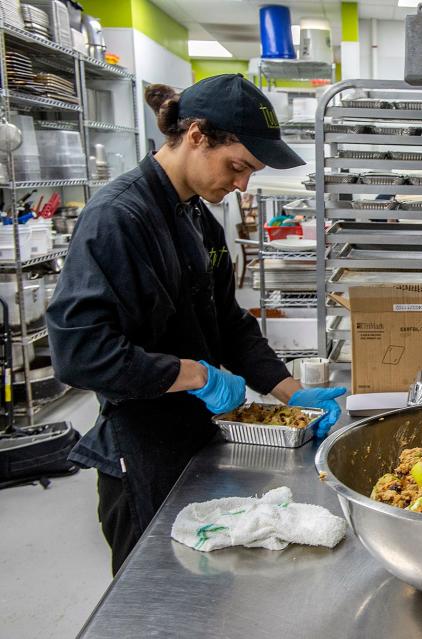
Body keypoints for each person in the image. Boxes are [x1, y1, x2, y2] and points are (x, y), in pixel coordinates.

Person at [47, 74, 345, 574]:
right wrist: (196, 375)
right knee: (154, 594)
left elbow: (227, 323)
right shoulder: (118, 218)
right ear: (197, 136)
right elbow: (81, 352)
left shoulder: (196, 219)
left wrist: (292, 393)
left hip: (195, 439)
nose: (242, 184)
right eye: (238, 166)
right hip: (141, 448)